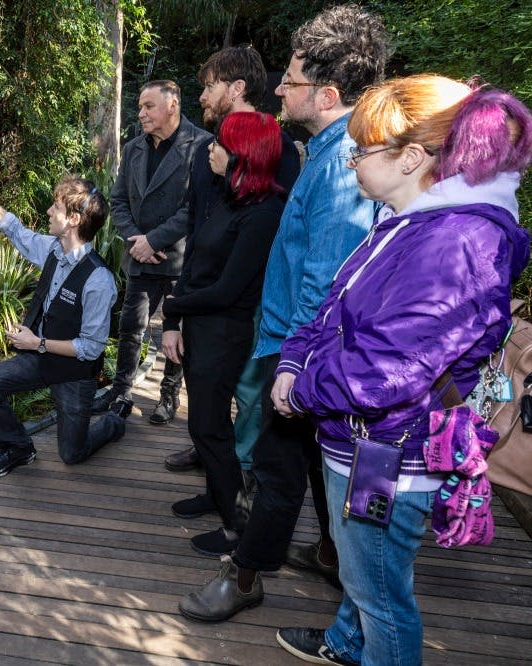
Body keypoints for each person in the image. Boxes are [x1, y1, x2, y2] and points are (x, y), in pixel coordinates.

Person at [275, 79, 532, 665]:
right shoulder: (413, 222)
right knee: (366, 567)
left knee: (379, 589)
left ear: (411, 157)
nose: (352, 161)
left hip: (388, 455)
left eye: (361, 151)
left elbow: (389, 369)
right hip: (373, 444)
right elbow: (335, 305)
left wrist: (300, 388)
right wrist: (294, 358)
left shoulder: (455, 244)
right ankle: (347, 642)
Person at [178, 3, 389, 622]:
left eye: (290, 80)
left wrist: (292, 364)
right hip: (298, 344)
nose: (278, 87)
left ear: (326, 93)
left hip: (302, 351)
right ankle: (327, 551)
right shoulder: (322, 151)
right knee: (314, 462)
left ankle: (245, 577)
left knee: (276, 469)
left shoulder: (342, 167)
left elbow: (325, 280)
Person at [162, 46, 300, 476]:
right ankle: (211, 453)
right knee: (209, 387)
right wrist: (178, 311)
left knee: (249, 390)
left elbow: (281, 232)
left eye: (209, 85)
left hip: (249, 298)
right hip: (204, 296)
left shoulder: (278, 150)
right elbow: (198, 225)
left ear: (236, 88)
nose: (201, 96)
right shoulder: (208, 151)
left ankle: (241, 472)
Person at [159, 111, 286, 555]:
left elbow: (231, 289)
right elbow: (194, 263)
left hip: (225, 330)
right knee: (204, 424)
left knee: (209, 427)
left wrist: (173, 305)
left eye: (219, 145)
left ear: (242, 156)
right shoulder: (225, 197)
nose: (210, 150)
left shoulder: (265, 212)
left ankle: (238, 525)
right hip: (199, 324)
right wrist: (174, 320)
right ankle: (216, 495)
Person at [0, 169, 129, 478]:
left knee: (72, 455)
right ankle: (19, 448)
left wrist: (38, 343)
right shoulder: (51, 249)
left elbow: (91, 348)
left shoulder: (99, 281)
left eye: (56, 207)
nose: (48, 211)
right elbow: (14, 229)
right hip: (39, 358)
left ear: (74, 219)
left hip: (74, 372)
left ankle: (114, 421)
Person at [93, 80, 211, 425]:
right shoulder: (133, 149)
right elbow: (117, 201)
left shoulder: (201, 145)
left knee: (177, 334)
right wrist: (136, 239)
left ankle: (169, 395)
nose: (140, 113)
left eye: (148, 106)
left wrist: (154, 241)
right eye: (140, 107)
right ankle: (120, 391)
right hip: (140, 257)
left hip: (179, 260)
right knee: (130, 327)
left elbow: (195, 207)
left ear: (172, 105)